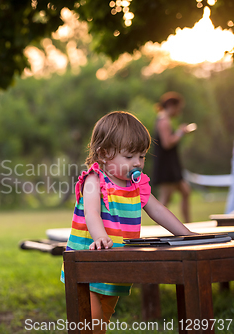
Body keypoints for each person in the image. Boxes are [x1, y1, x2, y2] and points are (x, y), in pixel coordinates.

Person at [60, 111, 193, 334]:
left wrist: (187, 234)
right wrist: (101, 236)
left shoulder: (137, 185)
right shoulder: (94, 179)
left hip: (114, 265)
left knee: (102, 323)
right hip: (86, 264)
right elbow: (92, 213)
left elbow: (158, 210)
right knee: (89, 323)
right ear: (104, 154)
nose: (138, 163)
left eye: (142, 156)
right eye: (129, 157)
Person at [152, 92, 193, 223]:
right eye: (178, 107)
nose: (179, 111)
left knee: (186, 191)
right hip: (166, 166)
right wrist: (181, 132)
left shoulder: (164, 119)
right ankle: (158, 228)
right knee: (164, 200)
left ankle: (188, 223)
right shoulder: (164, 121)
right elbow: (167, 143)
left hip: (172, 165)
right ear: (171, 106)